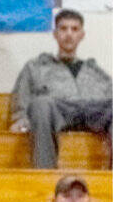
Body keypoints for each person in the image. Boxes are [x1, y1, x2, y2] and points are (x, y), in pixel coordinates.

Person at [10, 9, 112, 168]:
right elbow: (22, 99)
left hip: (92, 112)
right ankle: (45, 175)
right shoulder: (36, 67)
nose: (69, 34)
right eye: (63, 29)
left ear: (82, 35)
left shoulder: (96, 71)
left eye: (74, 29)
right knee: (41, 103)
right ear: (55, 34)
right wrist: (21, 119)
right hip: (57, 112)